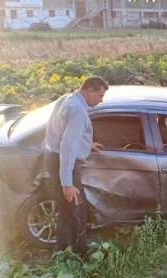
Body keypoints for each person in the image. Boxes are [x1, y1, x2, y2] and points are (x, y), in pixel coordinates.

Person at [44, 76, 108, 252]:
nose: (101, 100)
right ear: (89, 91)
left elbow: (58, 131)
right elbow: (68, 146)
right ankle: (76, 251)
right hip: (65, 164)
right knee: (74, 210)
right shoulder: (78, 110)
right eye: (100, 96)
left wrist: (87, 143)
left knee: (69, 209)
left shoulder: (67, 99)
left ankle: (66, 250)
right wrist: (67, 183)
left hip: (54, 157)